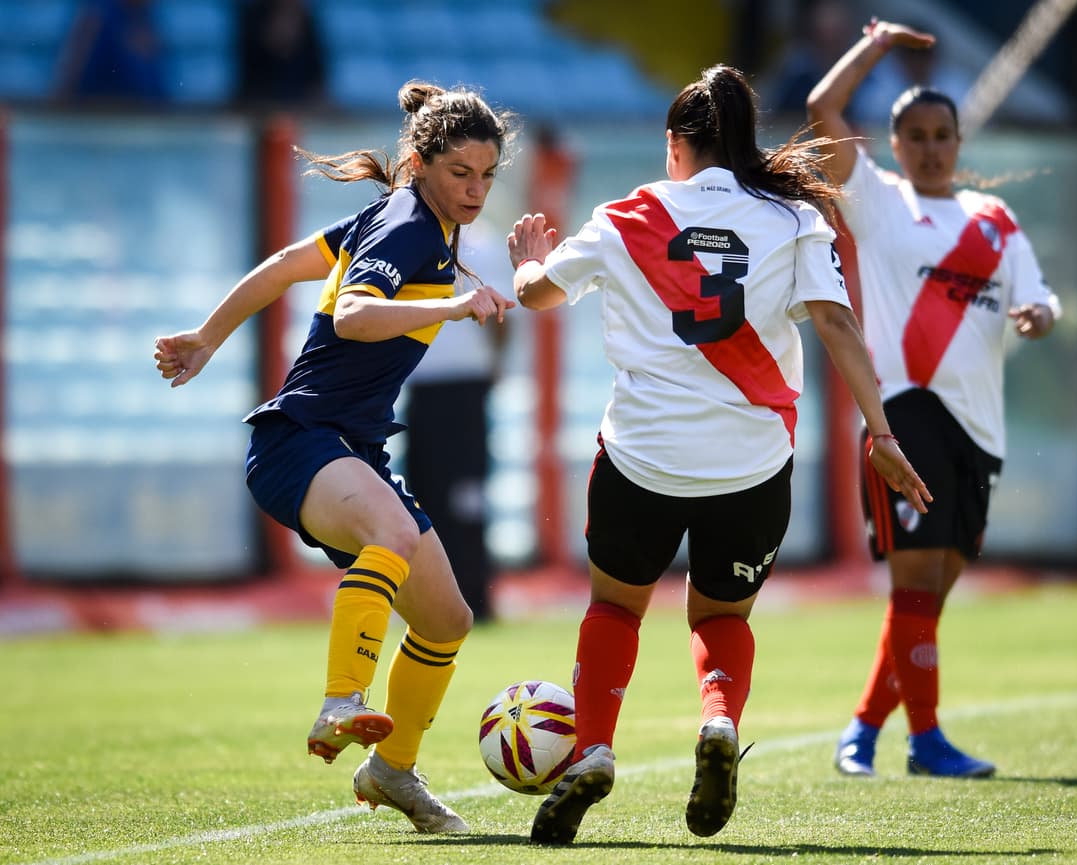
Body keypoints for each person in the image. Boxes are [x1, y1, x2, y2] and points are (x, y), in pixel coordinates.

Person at [506, 64, 932, 845]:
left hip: (642, 458)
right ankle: (718, 721)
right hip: (751, 465)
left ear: (675, 143)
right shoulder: (793, 217)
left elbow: (537, 296)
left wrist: (529, 259)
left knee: (614, 607)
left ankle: (593, 747)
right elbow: (837, 324)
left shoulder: (627, 214)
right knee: (720, 613)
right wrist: (882, 433)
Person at [153, 80, 515, 833]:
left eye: (487, 175)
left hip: (350, 448)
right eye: (461, 173)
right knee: (393, 533)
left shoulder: (404, 216)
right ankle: (342, 700)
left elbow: (288, 263)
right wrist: (453, 305)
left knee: (446, 620)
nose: (476, 190)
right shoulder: (409, 224)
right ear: (420, 162)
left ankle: (392, 769)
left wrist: (207, 337)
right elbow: (351, 315)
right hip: (301, 439)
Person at [807, 18, 1061, 779]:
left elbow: (1041, 298)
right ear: (893, 144)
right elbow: (823, 106)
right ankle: (927, 742)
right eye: (914, 136)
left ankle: (862, 730)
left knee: (930, 595)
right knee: (914, 583)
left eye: (941, 135)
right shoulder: (878, 199)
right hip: (905, 415)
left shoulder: (995, 221)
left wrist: (1039, 314)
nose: (929, 147)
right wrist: (875, 44)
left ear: (958, 141)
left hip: (979, 432)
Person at [402, 218, 510, 622]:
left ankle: (474, 594)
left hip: (465, 387)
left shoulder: (482, 245)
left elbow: (502, 315)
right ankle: (434, 599)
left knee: (466, 496)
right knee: (424, 496)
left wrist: (495, 364)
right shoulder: (409, 239)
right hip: (424, 387)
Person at [55, 0, 168, 105]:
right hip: (99, 111)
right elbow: (69, 80)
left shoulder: (144, 17)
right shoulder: (97, 15)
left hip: (141, 112)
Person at [234, 0, 329, 108]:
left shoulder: (307, 18)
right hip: (258, 102)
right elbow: (250, 75)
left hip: (302, 103)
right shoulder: (253, 16)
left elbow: (316, 76)